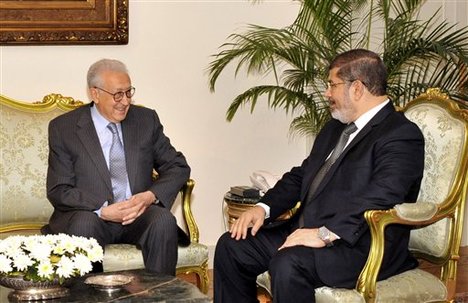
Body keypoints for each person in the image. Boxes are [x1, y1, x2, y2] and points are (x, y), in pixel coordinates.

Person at [214, 49, 425, 302]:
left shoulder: (400, 134)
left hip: (359, 246)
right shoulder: (335, 128)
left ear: (357, 88)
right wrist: (263, 207)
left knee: (287, 264)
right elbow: (302, 175)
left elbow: (382, 196)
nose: (327, 93)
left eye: (332, 85)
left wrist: (323, 234)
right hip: (306, 231)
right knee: (232, 246)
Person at [43, 58, 191, 275]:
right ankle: (91, 299)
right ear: (95, 94)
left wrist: (149, 196)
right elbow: (59, 189)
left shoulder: (145, 120)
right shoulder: (64, 128)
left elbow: (177, 166)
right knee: (84, 225)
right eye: (117, 95)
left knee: (162, 220)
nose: (125, 101)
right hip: (93, 216)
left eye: (129, 92)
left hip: (137, 214)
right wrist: (102, 209)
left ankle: (159, 296)